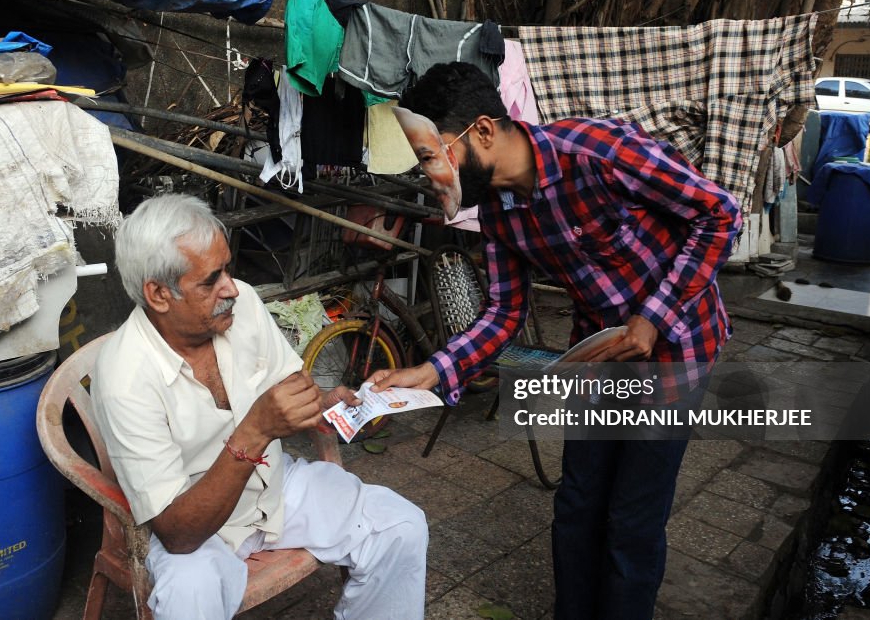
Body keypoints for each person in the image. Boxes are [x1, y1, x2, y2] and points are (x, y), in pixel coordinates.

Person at [374, 62, 742, 619]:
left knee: (631, 522)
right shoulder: (495, 210)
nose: (430, 174)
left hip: (678, 350)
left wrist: (654, 318)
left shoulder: (598, 151)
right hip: (595, 357)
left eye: (430, 156)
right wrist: (432, 373)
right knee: (576, 506)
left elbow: (719, 212)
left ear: (481, 131)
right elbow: (502, 313)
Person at [91, 194, 428, 619]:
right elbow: (178, 534)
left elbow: (286, 385)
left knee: (400, 526)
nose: (231, 287)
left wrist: (320, 404)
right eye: (211, 280)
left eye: (227, 269)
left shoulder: (242, 304)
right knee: (188, 597)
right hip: (195, 522)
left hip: (273, 485)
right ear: (159, 294)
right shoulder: (124, 376)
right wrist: (256, 431)